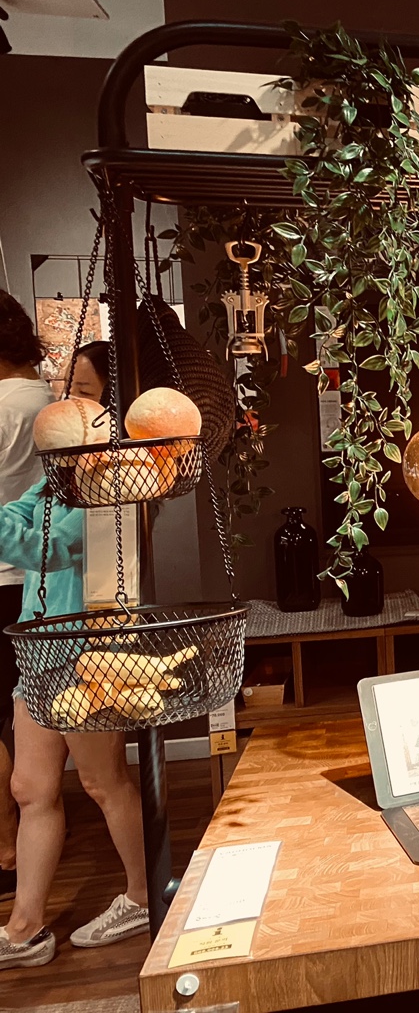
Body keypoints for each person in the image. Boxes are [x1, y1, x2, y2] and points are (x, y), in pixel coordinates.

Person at [0, 337, 149, 970]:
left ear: (114, 406)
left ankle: (142, 895)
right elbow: (19, 521)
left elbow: (53, 547)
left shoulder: (119, 476)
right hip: (41, 646)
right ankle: (25, 928)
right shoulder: (59, 475)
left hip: (92, 652)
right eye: (70, 390)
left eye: (84, 392)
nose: (68, 403)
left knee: (101, 781)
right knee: (30, 787)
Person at [0, 295, 54, 909]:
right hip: (39, 585)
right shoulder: (47, 401)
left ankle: (7, 848)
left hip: (11, 577)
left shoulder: (6, 407)